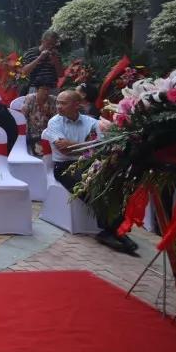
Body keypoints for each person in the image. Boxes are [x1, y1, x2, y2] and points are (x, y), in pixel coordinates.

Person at [43, 90, 138, 255]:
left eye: (63, 103)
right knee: (91, 186)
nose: (58, 106)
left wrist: (78, 146)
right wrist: (90, 146)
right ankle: (114, 231)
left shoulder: (91, 122)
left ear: (76, 105)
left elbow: (103, 146)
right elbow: (64, 149)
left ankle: (113, 230)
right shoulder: (54, 122)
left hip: (89, 163)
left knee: (115, 183)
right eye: (57, 102)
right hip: (64, 167)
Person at [21, 83, 57, 155]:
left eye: (48, 89)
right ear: (37, 90)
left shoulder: (53, 100)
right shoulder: (30, 98)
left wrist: (48, 112)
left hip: (49, 134)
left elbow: (56, 119)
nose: (46, 92)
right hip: (33, 133)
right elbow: (23, 116)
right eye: (43, 89)